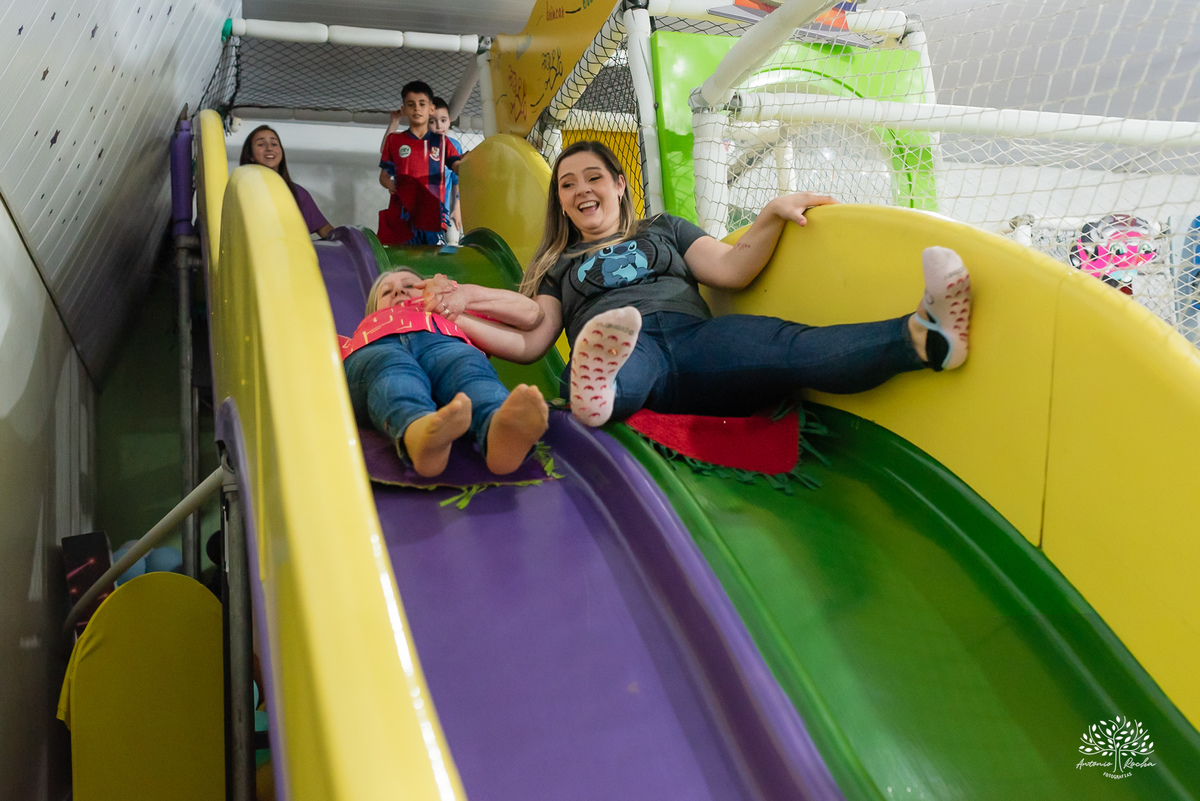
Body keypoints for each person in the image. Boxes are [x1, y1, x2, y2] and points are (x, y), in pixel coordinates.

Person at [449, 140, 973, 427]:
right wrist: (458, 318)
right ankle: (599, 391)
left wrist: (770, 214)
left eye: (592, 178)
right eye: (566, 185)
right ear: (559, 202)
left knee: (792, 347)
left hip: (697, 341)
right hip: (627, 348)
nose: (580, 190)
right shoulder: (558, 263)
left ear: (619, 185)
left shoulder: (665, 229)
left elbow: (731, 269)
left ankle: (925, 337)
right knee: (621, 364)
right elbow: (531, 340)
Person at [342, 268, 549, 477]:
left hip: (442, 340)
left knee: (465, 365)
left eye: (409, 286)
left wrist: (459, 295)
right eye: (386, 292)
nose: (398, 292)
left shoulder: (451, 311)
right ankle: (417, 431)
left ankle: (500, 429)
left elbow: (533, 314)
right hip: (378, 347)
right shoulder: (363, 332)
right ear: (373, 310)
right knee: (388, 367)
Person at [377, 81, 462, 246]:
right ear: (404, 109)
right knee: (402, 264)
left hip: (432, 217)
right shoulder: (394, 141)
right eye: (411, 104)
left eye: (422, 104)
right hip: (402, 217)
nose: (416, 108)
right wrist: (390, 184)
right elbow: (383, 176)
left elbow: (457, 166)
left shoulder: (443, 142)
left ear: (431, 108)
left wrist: (472, 165)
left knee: (431, 264)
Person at [239, 125, 334, 239]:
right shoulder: (240, 191)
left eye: (274, 144)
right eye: (261, 144)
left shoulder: (298, 194)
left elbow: (328, 232)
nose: (269, 148)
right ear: (250, 156)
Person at [430, 97, 465, 243]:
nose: (439, 126)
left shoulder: (454, 146)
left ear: (450, 120)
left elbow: (457, 181)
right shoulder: (420, 146)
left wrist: (457, 208)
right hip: (423, 214)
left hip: (444, 212)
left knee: (451, 242)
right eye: (432, 121)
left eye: (443, 120)